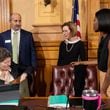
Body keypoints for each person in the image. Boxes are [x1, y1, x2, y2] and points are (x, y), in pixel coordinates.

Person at [93, 8, 110, 97]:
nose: (93, 23)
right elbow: (102, 60)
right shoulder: (103, 37)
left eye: (95, 20)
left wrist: (103, 90)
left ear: (103, 21)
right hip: (104, 79)